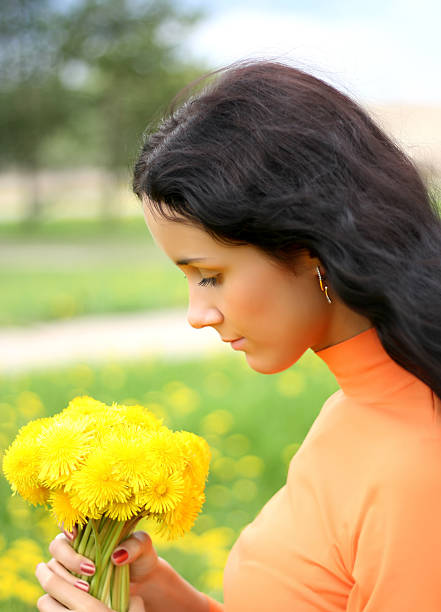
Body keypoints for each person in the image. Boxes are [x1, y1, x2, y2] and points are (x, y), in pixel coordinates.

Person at [36, 59, 441, 611]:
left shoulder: (417, 464)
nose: (197, 314)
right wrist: (162, 597)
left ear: (307, 246)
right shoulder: (359, 409)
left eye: (210, 276)